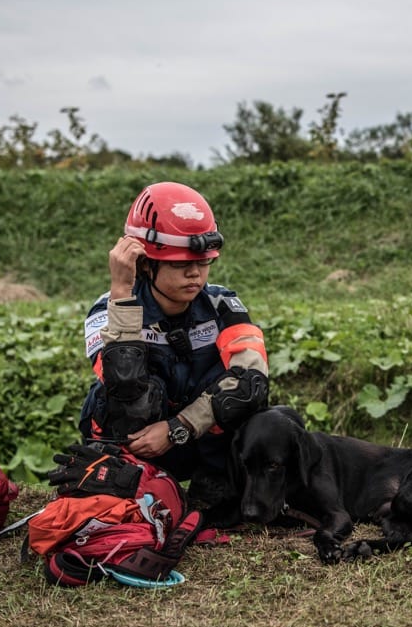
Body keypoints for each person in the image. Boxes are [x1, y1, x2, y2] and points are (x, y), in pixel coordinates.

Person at [78, 181, 269, 526]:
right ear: (146, 264)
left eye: (203, 262)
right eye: (180, 264)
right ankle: (126, 483)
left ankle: (214, 487)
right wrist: (122, 290)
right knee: (127, 391)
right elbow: (122, 382)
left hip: (194, 439)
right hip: (137, 444)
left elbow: (251, 382)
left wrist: (178, 427)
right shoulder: (108, 308)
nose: (195, 273)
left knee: (254, 400)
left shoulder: (223, 305)